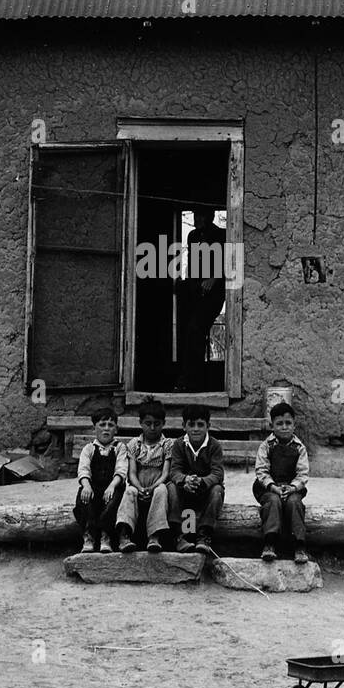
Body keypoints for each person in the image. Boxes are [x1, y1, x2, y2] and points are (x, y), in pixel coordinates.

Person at [175, 206, 227, 390]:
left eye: (200, 215)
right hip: (195, 291)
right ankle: (186, 378)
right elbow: (194, 263)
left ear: (209, 217)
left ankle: (193, 380)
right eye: (195, 215)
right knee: (187, 332)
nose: (196, 218)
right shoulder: (193, 236)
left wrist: (215, 278)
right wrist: (189, 283)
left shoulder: (222, 235)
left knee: (196, 329)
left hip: (214, 293)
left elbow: (230, 261)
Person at [252, 401, 310, 563]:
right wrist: (273, 487)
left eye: (288, 423)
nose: (284, 427)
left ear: (294, 425)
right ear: (272, 426)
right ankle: (269, 543)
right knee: (273, 501)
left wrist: (292, 488)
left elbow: (303, 473)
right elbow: (261, 471)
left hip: (291, 488)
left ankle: (299, 545)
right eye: (279, 424)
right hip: (269, 488)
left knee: (294, 503)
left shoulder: (299, 448)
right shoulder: (266, 446)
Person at [165, 404, 225, 555]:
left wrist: (202, 481)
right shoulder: (179, 444)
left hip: (205, 491)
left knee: (218, 490)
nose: (196, 429)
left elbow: (217, 473)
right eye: (191, 425)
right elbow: (174, 470)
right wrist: (185, 480)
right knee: (171, 487)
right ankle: (180, 535)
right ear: (184, 426)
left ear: (208, 426)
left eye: (200, 425)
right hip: (185, 491)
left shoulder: (214, 446)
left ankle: (204, 535)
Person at [116, 397, 173, 553]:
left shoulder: (168, 444)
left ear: (164, 423)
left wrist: (154, 487)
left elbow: (166, 473)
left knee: (162, 490)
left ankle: (154, 536)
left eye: (157, 424)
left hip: (157, 481)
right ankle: (124, 535)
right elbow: (132, 472)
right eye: (148, 424)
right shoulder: (134, 444)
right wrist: (139, 487)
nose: (153, 428)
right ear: (140, 423)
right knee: (129, 492)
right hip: (138, 483)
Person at [73, 409, 127, 554]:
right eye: (102, 424)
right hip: (93, 486)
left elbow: (121, 470)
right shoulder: (89, 448)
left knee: (113, 500)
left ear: (116, 428)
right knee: (84, 499)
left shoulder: (120, 448)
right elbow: (83, 469)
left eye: (111, 425)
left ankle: (105, 535)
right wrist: (86, 485)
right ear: (94, 427)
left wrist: (112, 485)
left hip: (112, 486)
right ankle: (89, 535)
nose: (106, 428)